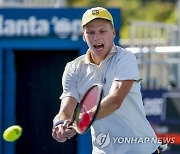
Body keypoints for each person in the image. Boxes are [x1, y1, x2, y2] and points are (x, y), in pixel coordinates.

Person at [52, 7, 162, 154]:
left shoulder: (125, 58)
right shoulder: (73, 68)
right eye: (91, 32)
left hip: (141, 149)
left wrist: (81, 120)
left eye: (102, 31)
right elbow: (65, 110)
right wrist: (60, 124)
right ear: (84, 36)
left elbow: (115, 100)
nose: (96, 37)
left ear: (113, 33)